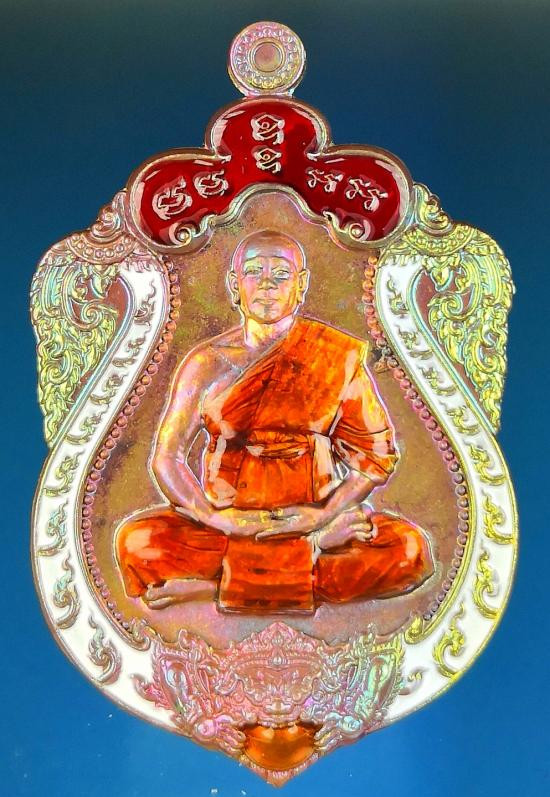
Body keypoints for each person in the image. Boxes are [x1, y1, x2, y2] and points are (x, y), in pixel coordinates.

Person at [116, 229, 433, 613]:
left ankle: (214, 588)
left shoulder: (335, 356)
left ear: (301, 285)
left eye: (281, 274)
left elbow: (376, 457)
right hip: (228, 525)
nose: (267, 284)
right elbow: (167, 457)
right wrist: (213, 517)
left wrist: (324, 515)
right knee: (138, 542)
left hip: (310, 515)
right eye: (254, 272)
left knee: (408, 550)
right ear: (235, 284)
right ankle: (303, 561)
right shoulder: (205, 364)